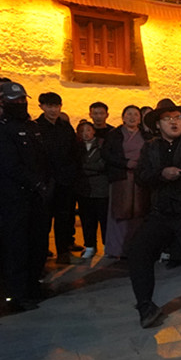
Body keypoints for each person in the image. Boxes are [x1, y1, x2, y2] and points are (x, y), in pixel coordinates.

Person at [128, 99, 181, 328]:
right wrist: (161, 174)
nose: (174, 122)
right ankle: (145, 306)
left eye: (178, 117)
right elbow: (141, 177)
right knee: (138, 251)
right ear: (158, 124)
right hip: (160, 212)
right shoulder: (151, 147)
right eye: (168, 118)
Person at [0, 81, 51, 311]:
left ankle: (32, 286)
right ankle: (17, 294)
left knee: (37, 243)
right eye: (15, 100)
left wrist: (46, 183)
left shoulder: (31, 127)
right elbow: (10, 165)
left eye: (22, 99)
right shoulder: (4, 129)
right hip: (15, 198)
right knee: (17, 246)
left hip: (36, 197)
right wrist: (37, 183)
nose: (20, 103)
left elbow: (42, 159)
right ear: (4, 102)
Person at [36, 92, 81, 264]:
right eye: (49, 106)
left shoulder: (65, 127)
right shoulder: (35, 127)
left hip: (65, 180)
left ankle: (63, 252)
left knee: (64, 218)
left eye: (56, 106)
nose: (53, 110)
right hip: (45, 181)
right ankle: (41, 254)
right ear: (42, 107)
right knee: (43, 220)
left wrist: (72, 172)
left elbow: (74, 151)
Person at [102, 105, 149, 259]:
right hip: (120, 177)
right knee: (119, 213)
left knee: (139, 212)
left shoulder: (146, 135)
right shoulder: (114, 134)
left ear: (140, 119)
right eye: (129, 114)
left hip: (140, 178)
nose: (132, 117)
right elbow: (106, 154)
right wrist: (126, 163)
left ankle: (135, 248)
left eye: (136, 114)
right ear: (123, 117)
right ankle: (117, 249)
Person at [75, 121, 108, 259]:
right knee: (87, 218)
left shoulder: (102, 144)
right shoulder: (76, 147)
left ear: (93, 131)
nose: (86, 133)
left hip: (101, 187)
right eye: (82, 131)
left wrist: (85, 167)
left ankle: (107, 245)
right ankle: (89, 245)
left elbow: (104, 164)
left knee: (104, 218)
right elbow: (75, 165)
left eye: (88, 130)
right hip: (84, 188)